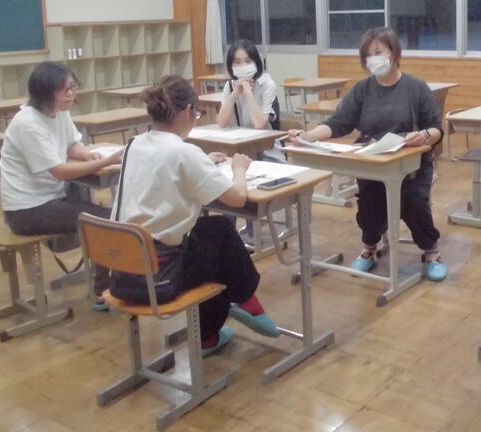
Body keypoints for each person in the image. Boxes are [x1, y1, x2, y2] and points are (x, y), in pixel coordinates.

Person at [110, 75, 279, 356]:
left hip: (123, 270)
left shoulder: (134, 144)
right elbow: (237, 198)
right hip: (158, 277)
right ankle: (236, 308)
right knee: (222, 251)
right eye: (197, 114)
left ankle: (229, 316)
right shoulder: (184, 151)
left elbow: (164, 170)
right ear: (188, 111)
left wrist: (203, 164)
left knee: (214, 229)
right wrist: (239, 169)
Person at [287, 27, 448, 281]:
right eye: (368, 55)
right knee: (369, 206)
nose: (373, 59)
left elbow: (436, 129)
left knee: (413, 202)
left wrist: (424, 135)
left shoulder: (416, 87)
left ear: (394, 53)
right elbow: (338, 123)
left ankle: (431, 251)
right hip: (372, 160)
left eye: (378, 52)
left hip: (411, 163)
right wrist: (307, 137)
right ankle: (369, 248)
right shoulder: (362, 89)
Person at [0, 61, 123, 309]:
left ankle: (104, 280)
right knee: (106, 221)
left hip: (49, 199)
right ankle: (102, 292)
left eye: (73, 87)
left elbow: (71, 145)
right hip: (26, 210)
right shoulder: (27, 123)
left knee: (104, 215)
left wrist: (87, 155)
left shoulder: (59, 112)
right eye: (64, 89)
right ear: (45, 93)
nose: (71, 94)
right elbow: (59, 171)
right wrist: (106, 161)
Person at [216, 39, 284, 162]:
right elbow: (221, 122)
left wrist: (248, 92)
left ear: (256, 62)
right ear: (231, 66)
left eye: (248, 61)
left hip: (266, 150)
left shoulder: (267, 84)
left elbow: (259, 124)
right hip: (238, 148)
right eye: (237, 62)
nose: (243, 66)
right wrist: (235, 94)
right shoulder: (229, 86)